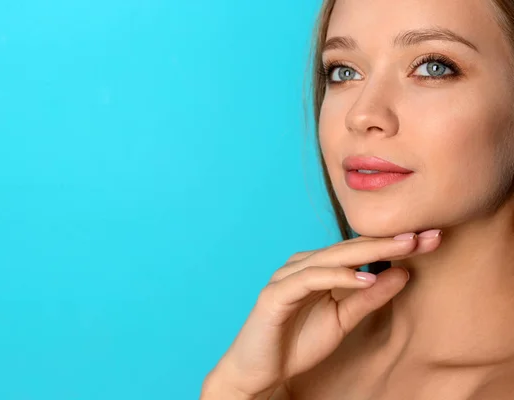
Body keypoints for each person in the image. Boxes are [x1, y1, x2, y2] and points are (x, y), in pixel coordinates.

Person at [200, 0, 514, 398]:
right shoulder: (297, 354)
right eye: (344, 71)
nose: (362, 114)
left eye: (433, 67)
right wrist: (233, 389)